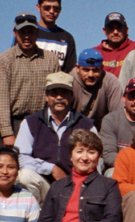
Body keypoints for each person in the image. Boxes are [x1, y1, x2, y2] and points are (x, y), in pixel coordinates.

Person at [14, 72, 98, 203]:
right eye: (54, 93)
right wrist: (50, 168)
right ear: (47, 97)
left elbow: (96, 159)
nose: (59, 97)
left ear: (71, 96)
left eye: (64, 93)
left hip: (76, 186)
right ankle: (36, 218)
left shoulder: (86, 125)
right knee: (24, 176)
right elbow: (20, 156)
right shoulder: (31, 123)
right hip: (44, 184)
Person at [0, 12, 62, 146]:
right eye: (22, 32)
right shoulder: (4, 60)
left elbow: (55, 96)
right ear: (15, 33)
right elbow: (0, 100)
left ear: (37, 32)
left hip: (41, 123)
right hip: (13, 123)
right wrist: (7, 133)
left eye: (30, 32)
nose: (26, 36)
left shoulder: (51, 59)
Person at [99, 77, 135, 176]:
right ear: (124, 98)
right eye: (132, 96)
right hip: (119, 167)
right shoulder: (111, 120)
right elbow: (109, 155)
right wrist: (131, 166)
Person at [71, 48, 122, 125]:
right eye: (86, 70)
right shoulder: (69, 81)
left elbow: (118, 115)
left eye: (95, 70)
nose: (90, 75)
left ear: (102, 68)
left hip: (100, 132)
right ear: (77, 68)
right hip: (72, 129)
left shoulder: (110, 82)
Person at [30, 0, 77, 73]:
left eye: (55, 8)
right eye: (47, 8)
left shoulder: (67, 38)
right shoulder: (28, 34)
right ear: (38, 7)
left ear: (60, 10)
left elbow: (70, 70)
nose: (51, 11)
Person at [93, 12, 135, 78]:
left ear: (126, 30)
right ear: (104, 31)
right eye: (111, 28)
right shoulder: (94, 53)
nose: (115, 32)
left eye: (119, 28)